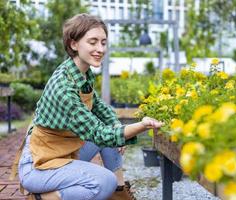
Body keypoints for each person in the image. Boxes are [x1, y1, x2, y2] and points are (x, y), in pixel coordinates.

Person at [12, 13, 163, 200]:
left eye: (103, 42)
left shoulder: (81, 73)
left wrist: (116, 125)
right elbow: (98, 133)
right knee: (103, 181)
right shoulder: (63, 87)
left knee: (112, 133)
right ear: (74, 44)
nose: (100, 48)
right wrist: (141, 125)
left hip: (64, 152)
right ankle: (41, 198)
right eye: (93, 42)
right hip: (39, 165)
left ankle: (119, 193)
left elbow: (99, 107)